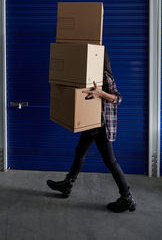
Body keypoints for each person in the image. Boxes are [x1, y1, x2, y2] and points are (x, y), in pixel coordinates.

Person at [47, 48, 136, 213]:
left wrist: (100, 93)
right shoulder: (88, 75)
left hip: (101, 126)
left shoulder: (104, 75)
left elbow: (118, 98)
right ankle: (68, 184)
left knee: (110, 161)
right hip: (91, 124)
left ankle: (127, 198)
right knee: (80, 152)